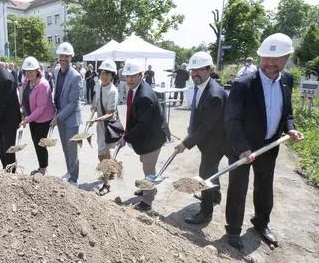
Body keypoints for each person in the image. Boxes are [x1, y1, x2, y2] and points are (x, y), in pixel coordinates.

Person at [224, 33, 305, 250]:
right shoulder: (243, 85)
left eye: (276, 58)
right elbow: (231, 120)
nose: (270, 63)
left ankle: (261, 223)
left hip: (269, 146)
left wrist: (291, 128)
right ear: (259, 58)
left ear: (287, 57)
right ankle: (233, 230)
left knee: (264, 187)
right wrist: (242, 148)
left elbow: (287, 111)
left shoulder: (287, 80)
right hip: (243, 148)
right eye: (266, 59)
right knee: (238, 189)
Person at [173, 52, 228, 225]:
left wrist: (185, 144)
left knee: (205, 174)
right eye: (192, 70)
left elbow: (207, 127)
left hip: (216, 141)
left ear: (209, 70)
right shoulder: (201, 86)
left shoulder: (214, 95)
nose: (194, 74)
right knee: (212, 170)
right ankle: (216, 195)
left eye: (198, 70)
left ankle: (205, 213)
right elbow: (198, 113)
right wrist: (192, 128)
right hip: (208, 138)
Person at [119, 59, 169, 211]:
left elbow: (142, 125)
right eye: (127, 76)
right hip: (146, 136)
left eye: (133, 76)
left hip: (152, 138)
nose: (129, 80)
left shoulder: (144, 96)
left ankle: (147, 202)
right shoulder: (135, 89)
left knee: (149, 169)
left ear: (141, 75)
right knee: (145, 164)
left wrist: (126, 138)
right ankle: (148, 188)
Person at [51, 42, 82, 186]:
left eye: (66, 56)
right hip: (60, 116)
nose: (63, 58)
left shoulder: (76, 76)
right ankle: (69, 171)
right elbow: (57, 93)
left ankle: (74, 178)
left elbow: (73, 102)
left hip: (71, 119)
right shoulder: (57, 71)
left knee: (72, 149)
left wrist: (59, 116)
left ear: (71, 58)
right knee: (65, 148)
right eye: (61, 55)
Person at [18, 57, 55, 176]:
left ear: (37, 71)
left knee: (40, 144)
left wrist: (26, 120)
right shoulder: (26, 83)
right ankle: (41, 167)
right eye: (26, 71)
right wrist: (24, 111)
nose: (29, 73)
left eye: (31, 70)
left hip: (43, 119)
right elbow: (25, 99)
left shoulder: (43, 85)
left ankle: (43, 170)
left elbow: (41, 107)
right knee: (35, 142)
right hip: (32, 117)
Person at [87, 60, 119, 195]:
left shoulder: (113, 91)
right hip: (100, 124)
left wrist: (96, 119)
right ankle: (112, 170)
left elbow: (111, 113)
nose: (104, 76)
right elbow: (96, 100)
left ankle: (106, 185)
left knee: (101, 156)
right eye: (102, 73)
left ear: (113, 76)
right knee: (105, 151)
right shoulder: (99, 85)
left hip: (108, 125)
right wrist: (94, 107)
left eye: (108, 74)